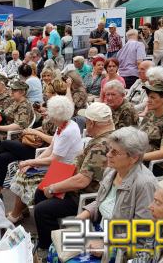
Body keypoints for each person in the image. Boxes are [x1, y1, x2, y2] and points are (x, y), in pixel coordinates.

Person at [53, 127, 156, 262]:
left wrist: (106, 244)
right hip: (101, 230)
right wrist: (83, 215)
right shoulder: (112, 171)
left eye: (115, 152)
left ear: (134, 158)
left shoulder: (144, 184)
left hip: (123, 246)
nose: (108, 155)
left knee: (69, 259)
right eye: (109, 149)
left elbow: (143, 228)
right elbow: (103, 201)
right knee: (56, 248)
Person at [34, 103, 114, 253]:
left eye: (86, 120)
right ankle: (49, 235)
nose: (85, 123)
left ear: (92, 123)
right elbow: (79, 164)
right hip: (79, 185)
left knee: (42, 210)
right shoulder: (103, 138)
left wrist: (53, 187)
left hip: (85, 195)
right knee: (40, 192)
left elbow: (83, 181)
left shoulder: (101, 146)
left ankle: (48, 248)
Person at [9, 96, 82, 223]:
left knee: (23, 175)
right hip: (58, 166)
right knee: (23, 171)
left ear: (55, 116)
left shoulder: (67, 131)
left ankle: (17, 213)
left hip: (64, 171)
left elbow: (53, 159)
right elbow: (51, 148)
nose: (48, 114)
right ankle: (21, 209)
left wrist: (30, 162)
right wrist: (32, 163)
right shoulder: (66, 124)